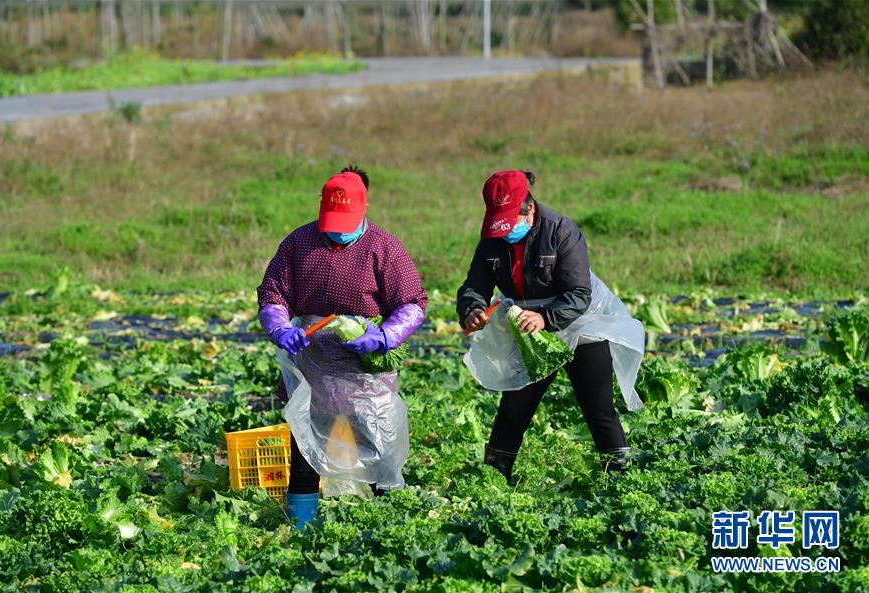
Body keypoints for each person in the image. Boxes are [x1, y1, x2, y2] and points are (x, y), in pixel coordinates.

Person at [257, 165, 427, 529]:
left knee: (379, 450)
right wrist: (280, 325)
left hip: (364, 373)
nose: (336, 229)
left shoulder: (385, 248)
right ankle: (302, 526)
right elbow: (272, 293)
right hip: (311, 366)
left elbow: (412, 303)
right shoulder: (298, 243)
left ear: (363, 210)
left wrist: (384, 337)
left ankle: (392, 526)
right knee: (305, 450)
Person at [457, 170, 643, 482]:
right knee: (515, 406)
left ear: (528, 208)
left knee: (597, 406)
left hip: (583, 324)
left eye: (509, 222)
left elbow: (579, 294)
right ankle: (493, 480)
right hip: (530, 330)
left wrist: (545, 318)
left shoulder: (561, 230)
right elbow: (474, 286)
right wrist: (472, 309)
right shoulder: (492, 239)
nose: (504, 231)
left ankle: (621, 479)